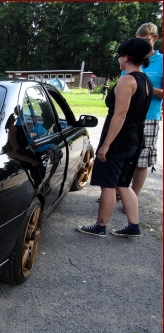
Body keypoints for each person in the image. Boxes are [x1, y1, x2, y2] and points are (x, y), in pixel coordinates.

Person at [77, 38, 153, 238]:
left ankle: (100, 226)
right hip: (136, 138)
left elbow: (120, 115)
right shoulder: (146, 80)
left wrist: (106, 145)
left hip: (119, 139)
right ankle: (133, 226)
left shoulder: (126, 80)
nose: (118, 59)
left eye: (119, 55)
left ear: (126, 57)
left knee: (108, 184)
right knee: (122, 184)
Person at [126, 23, 163, 198]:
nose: (141, 44)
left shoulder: (161, 62)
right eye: (138, 40)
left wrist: (144, 85)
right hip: (127, 115)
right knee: (122, 156)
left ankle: (133, 195)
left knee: (141, 161)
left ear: (155, 39)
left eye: (146, 40)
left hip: (149, 116)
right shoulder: (130, 58)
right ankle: (121, 191)